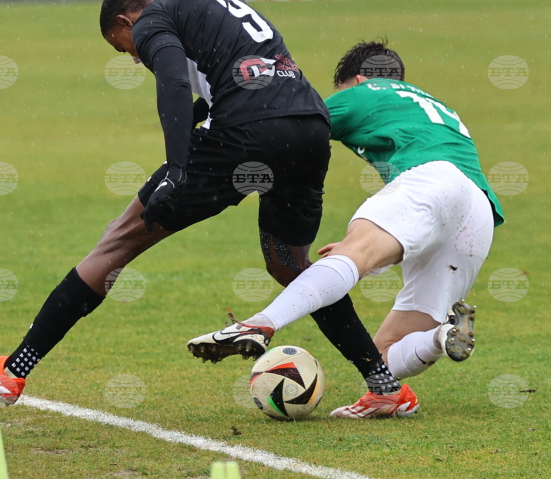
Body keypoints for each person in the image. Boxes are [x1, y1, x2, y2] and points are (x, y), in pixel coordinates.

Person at [0, 0, 401, 409]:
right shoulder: (208, 1)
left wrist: (176, 169)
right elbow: (238, 77)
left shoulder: (152, 20)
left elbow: (172, 81)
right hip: (309, 128)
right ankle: (384, 385)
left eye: (123, 48)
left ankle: (13, 370)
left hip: (245, 134)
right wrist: (195, 124)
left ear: (125, 21)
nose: (135, 57)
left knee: (117, 241)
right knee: (290, 265)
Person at [188, 40, 504, 419]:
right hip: (477, 212)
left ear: (357, 79)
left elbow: (295, 122)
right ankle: (438, 339)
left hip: (432, 182)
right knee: (383, 352)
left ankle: (259, 324)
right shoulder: (434, 105)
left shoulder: (365, 92)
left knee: (349, 258)